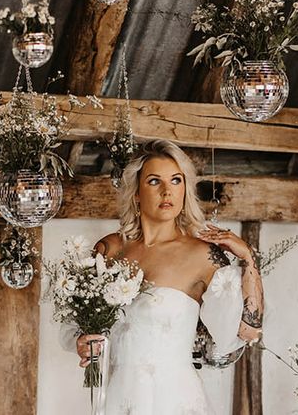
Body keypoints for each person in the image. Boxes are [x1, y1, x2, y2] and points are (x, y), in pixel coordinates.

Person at [61, 139, 264, 415]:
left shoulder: (203, 255)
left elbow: (246, 331)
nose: (168, 191)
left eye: (176, 180)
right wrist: (82, 341)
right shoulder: (109, 250)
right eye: (155, 181)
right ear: (136, 192)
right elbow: (75, 324)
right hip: (118, 397)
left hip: (174, 398)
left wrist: (248, 260)